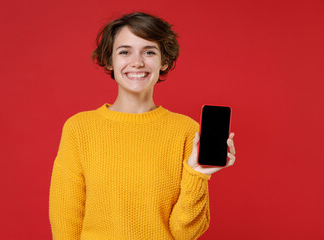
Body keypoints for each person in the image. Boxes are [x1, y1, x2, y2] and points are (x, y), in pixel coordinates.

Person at [49, 12, 236, 240]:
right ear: (109, 60)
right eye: (125, 52)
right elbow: (66, 217)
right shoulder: (79, 128)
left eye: (149, 52)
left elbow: (185, 233)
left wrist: (197, 175)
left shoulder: (185, 131)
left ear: (164, 61)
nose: (137, 62)